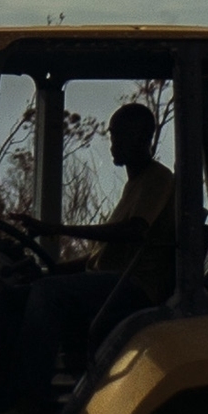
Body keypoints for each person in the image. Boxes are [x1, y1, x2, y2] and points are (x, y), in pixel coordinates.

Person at [69, 95, 183, 280]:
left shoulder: (157, 179)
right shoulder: (136, 185)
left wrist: (60, 229)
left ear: (143, 138)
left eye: (122, 135)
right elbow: (98, 258)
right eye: (114, 135)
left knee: (46, 294)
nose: (114, 144)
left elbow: (133, 231)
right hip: (108, 282)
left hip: (128, 287)